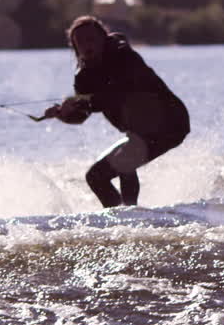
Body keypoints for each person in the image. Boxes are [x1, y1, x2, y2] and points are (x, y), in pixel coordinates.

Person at [44, 15, 190, 208]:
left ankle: (131, 211)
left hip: (170, 123)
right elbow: (82, 115)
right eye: (80, 42)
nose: (87, 46)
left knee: (124, 161)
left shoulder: (124, 56)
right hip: (140, 133)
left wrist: (83, 101)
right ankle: (117, 217)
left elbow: (120, 92)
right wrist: (64, 113)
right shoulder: (83, 77)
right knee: (95, 176)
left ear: (103, 39)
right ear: (75, 48)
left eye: (91, 39)